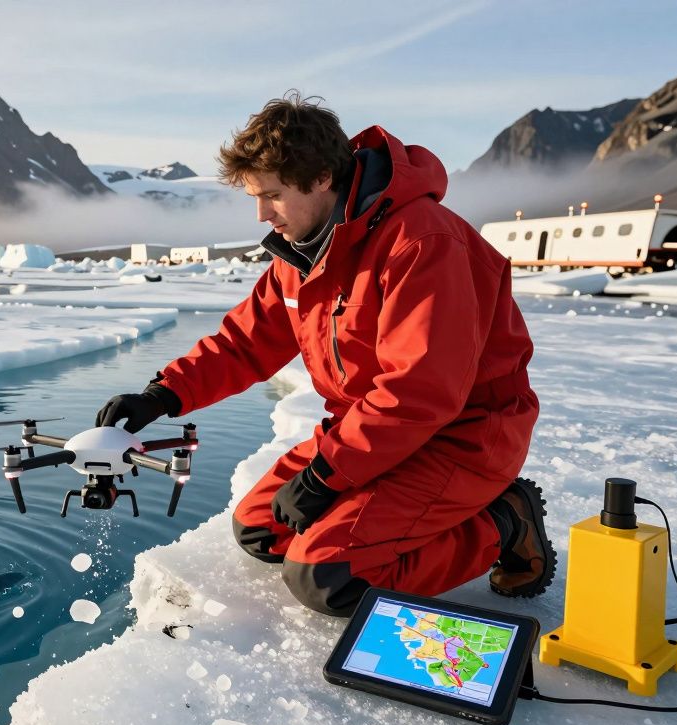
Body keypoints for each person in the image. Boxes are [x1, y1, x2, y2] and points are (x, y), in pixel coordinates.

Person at [95, 93, 551, 616]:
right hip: (370, 434)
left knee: (327, 579)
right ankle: (376, 511)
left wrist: (324, 477)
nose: (263, 215)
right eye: (255, 198)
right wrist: (162, 395)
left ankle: (504, 522)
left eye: (272, 196)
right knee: (261, 531)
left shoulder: (422, 242)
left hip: (460, 437)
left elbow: (419, 392)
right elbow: (243, 343)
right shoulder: (303, 252)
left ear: (321, 179)